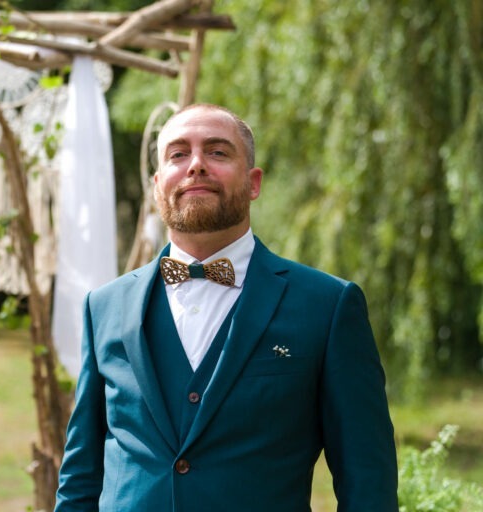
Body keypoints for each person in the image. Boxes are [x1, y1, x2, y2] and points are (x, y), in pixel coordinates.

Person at [54, 103, 398, 511]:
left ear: (253, 183)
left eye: (217, 152)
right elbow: (80, 477)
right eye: (178, 154)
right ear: (157, 183)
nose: (196, 165)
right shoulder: (105, 307)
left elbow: (367, 481)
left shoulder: (327, 306)